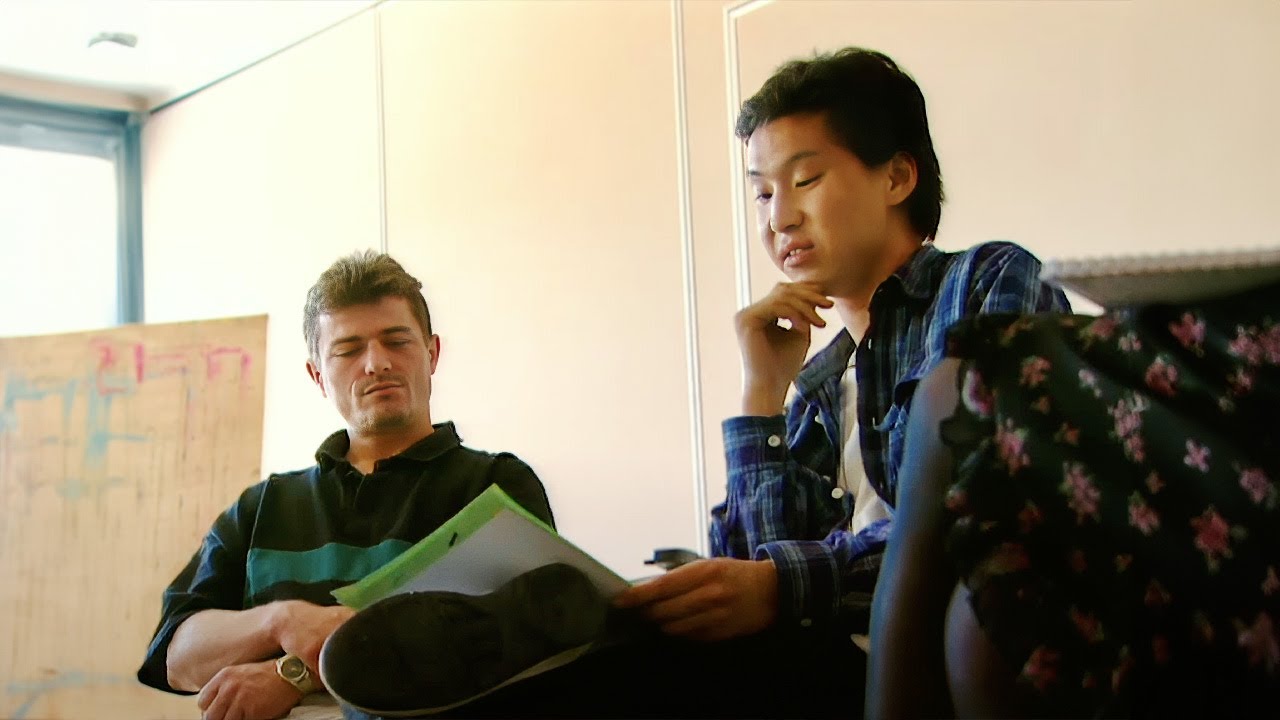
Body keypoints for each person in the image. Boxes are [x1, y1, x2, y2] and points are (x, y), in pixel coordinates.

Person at [318, 47, 1070, 720]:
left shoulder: (985, 280)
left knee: (612, 676)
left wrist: (778, 586)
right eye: (762, 194)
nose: (780, 217)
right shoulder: (819, 382)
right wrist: (761, 396)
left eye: (805, 179)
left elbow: (983, 514)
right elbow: (755, 563)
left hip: (926, 659)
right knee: (599, 667)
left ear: (898, 176)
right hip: (816, 666)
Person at [136, 250, 554, 720]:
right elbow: (178, 657)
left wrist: (296, 673)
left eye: (396, 341)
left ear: (432, 353)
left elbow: (531, 633)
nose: (376, 363)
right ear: (318, 375)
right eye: (349, 350)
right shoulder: (262, 508)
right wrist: (281, 620)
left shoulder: (495, 487)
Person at [866, 277, 1280, 718]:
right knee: (951, 394)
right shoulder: (838, 365)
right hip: (1207, 320)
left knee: (964, 391)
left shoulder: (988, 271)